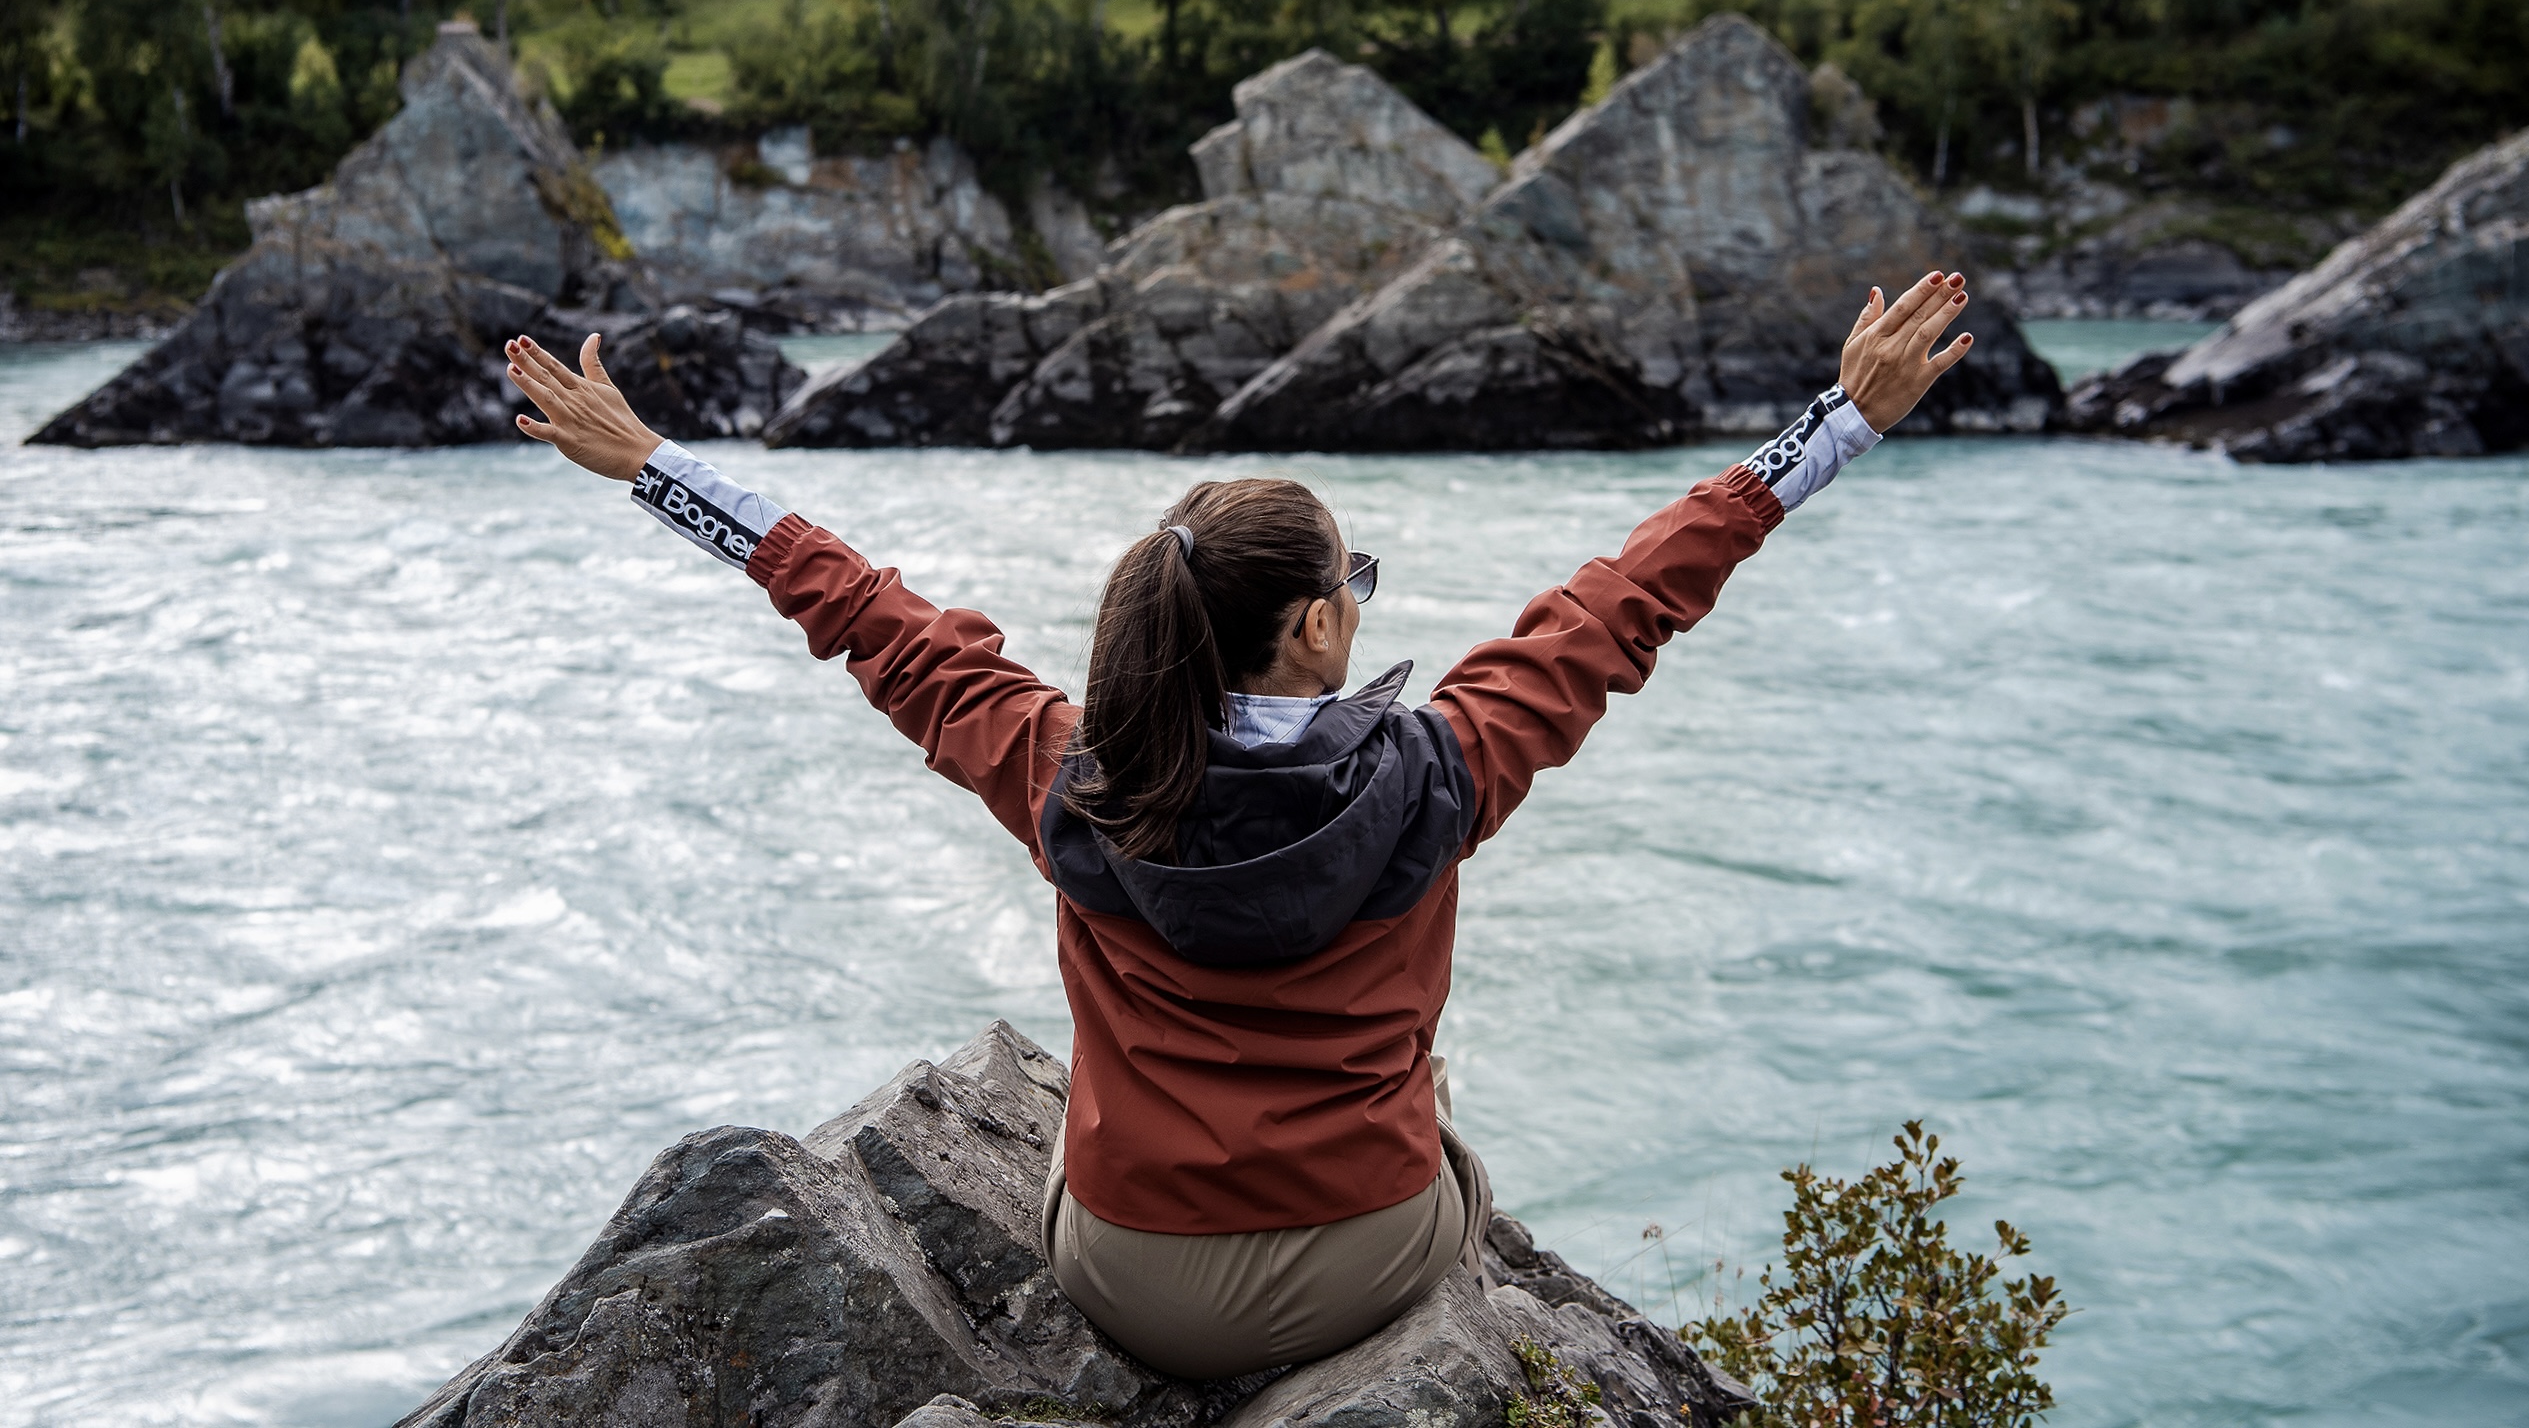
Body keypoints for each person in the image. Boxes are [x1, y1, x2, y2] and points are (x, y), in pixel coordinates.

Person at [500, 271, 1978, 1379]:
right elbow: (1628, 600)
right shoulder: (1442, 771)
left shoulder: (1067, 774)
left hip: (1130, 1279)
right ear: (1325, 624)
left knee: (1088, 1108)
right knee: (1451, 1146)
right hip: (1364, 1255)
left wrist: (654, 467)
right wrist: (1839, 420)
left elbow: (867, 617)